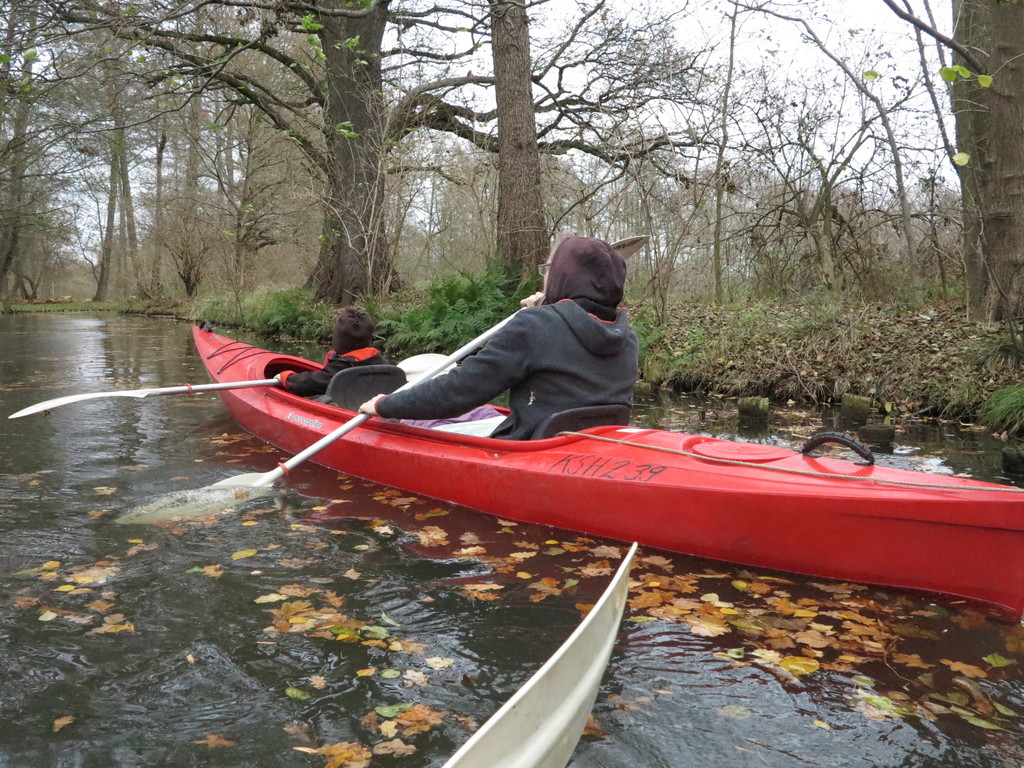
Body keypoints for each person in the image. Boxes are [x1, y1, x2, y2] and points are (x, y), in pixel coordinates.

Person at [358, 236, 639, 440]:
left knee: (423, 424)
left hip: (531, 447)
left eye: (548, 269)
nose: (544, 277)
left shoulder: (534, 326)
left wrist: (386, 404)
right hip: (593, 446)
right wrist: (550, 307)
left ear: (562, 276)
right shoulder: (625, 335)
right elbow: (571, 333)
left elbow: (461, 390)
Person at [276, 308, 388, 399]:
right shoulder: (381, 362)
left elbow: (307, 384)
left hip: (349, 417)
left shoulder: (342, 368)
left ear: (338, 340)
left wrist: (286, 378)